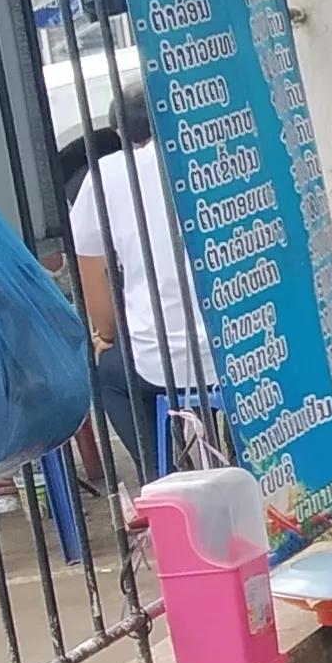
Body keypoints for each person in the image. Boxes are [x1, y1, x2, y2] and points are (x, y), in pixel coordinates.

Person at [67, 90, 216, 484]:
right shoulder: (211, 157)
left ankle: (162, 476)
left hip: (160, 357)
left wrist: (106, 335)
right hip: (237, 350)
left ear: (119, 133)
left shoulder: (106, 176)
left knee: (109, 374)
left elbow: (91, 273)